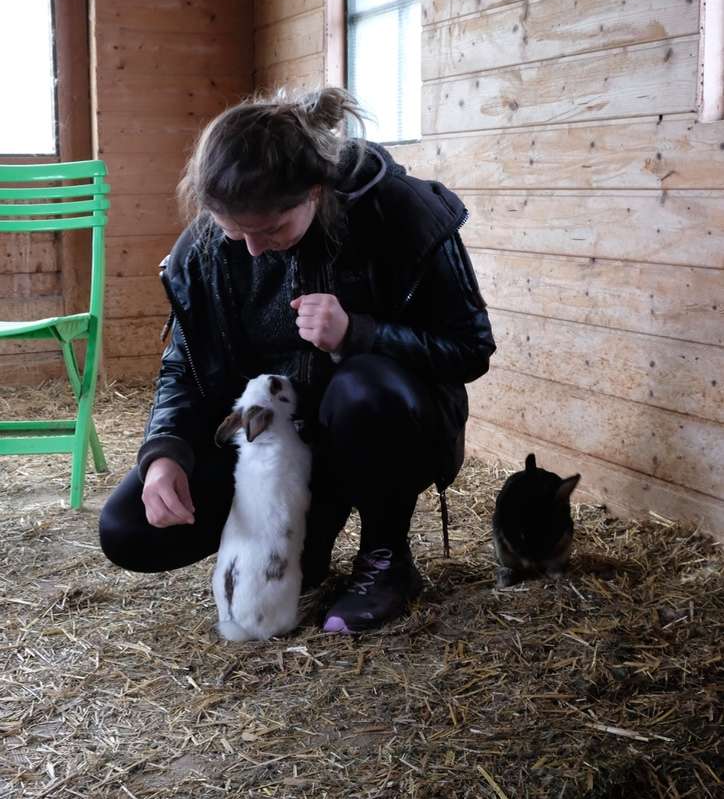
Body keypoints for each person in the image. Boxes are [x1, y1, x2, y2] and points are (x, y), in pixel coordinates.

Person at [99, 87, 496, 633]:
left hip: (378, 430)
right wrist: (163, 453)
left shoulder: (404, 213)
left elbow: (470, 348)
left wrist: (360, 333)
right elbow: (183, 366)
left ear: (315, 191)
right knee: (126, 530)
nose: (255, 248)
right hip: (274, 446)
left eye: (272, 230)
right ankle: (306, 538)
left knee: (364, 387)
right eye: (236, 231)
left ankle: (386, 561)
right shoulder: (207, 247)